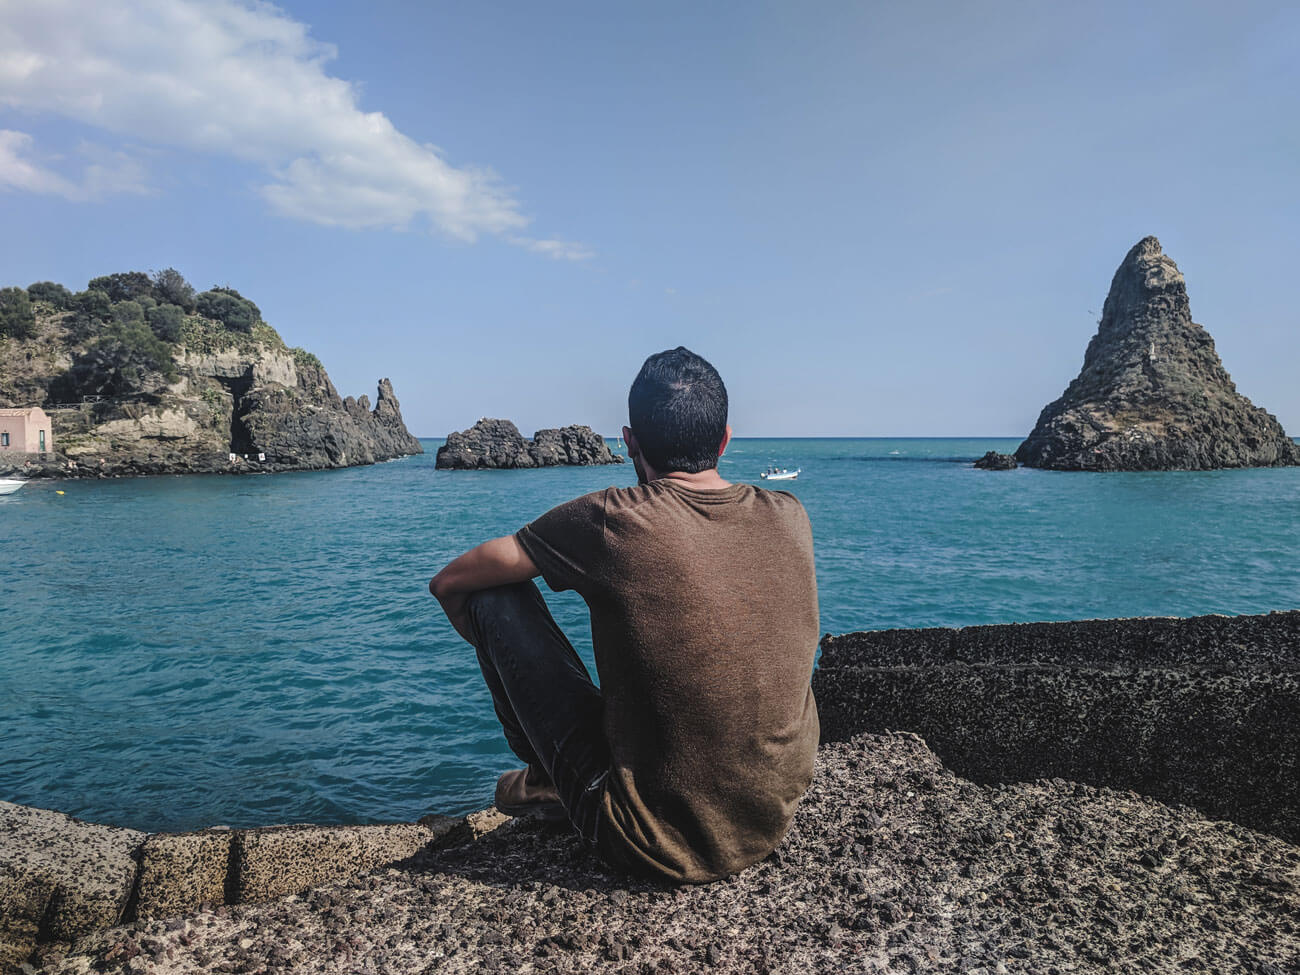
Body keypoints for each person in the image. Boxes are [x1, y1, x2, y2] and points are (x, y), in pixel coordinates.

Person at [429, 347, 819, 883]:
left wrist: (501, 664)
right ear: (725, 439)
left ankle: (548, 779)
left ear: (629, 442)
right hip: (769, 818)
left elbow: (449, 583)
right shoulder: (790, 516)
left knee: (493, 595)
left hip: (646, 842)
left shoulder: (615, 518)